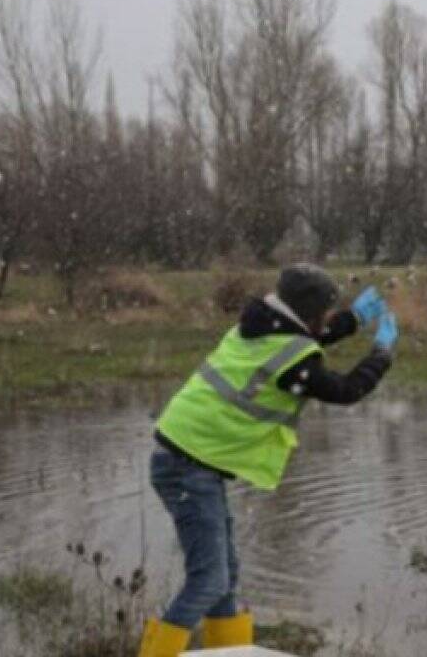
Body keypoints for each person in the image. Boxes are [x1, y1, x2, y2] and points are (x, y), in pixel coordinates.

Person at [138, 264, 397, 657]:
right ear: (309, 310)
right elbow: (344, 390)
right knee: (209, 581)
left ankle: (230, 653)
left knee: (224, 578)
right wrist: (380, 354)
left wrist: (354, 320)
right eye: (327, 311)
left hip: (187, 460)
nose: (328, 318)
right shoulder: (290, 356)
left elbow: (307, 342)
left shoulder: (261, 326)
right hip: (187, 468)